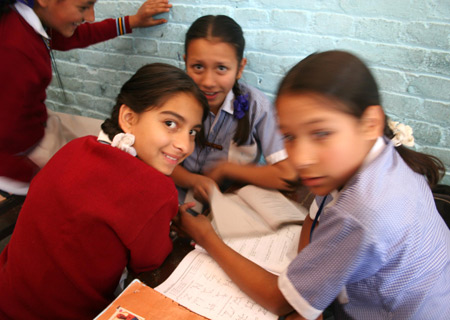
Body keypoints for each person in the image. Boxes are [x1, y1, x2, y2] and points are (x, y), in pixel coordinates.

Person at [174, 51, 450, 319]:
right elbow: (313, 217)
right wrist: (310, 270)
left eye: (321, 133)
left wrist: (207, 237)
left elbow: (279, 301)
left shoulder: (361, 213)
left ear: (370, 123)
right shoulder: (374, 158)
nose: (302, 159)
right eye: (290, 136)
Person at [0, 63, 209, 319]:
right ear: (129, 118)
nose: (184, 145)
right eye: (170, 123)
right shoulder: (155, 190)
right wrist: (165, 223)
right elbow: (150, 265)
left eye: (192, 132)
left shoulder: (76, 146)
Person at [0, 0, 172, 196]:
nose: (91, 17)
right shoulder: (13, 49)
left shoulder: (30, 22)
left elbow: (77, 36)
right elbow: (5, 135)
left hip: (36, 130)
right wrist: (35, 176)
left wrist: (131, 21)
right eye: (83, 7)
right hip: (19, 159)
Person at [171, 15, 297, 207]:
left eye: (221, 68)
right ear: (186, 62)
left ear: (240, 68)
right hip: (175, 195)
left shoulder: (257, 107)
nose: (208, 82)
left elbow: (287, 175)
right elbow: (154, 156)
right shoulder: (173, 100)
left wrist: (226, 169)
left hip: (231, 203)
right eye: (198, 67)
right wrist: (193, 180)